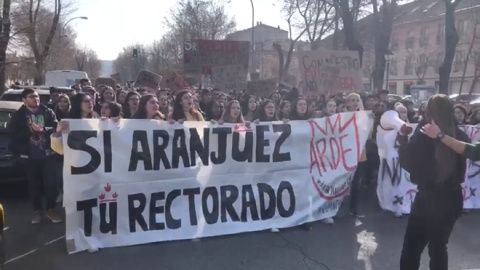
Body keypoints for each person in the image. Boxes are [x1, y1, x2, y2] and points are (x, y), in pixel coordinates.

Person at [398, 94, 469, 270]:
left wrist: (402, 141)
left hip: (428, 199)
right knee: (438, 248)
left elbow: (408, 161)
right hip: (452, 199)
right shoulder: (458, 134)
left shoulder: (424, 131)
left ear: (429, 111)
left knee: (412, 249)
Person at [9, 88, 61, 224]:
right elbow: (14, 135)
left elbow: (56, 127)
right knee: (34, 186)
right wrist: (30, 130)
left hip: (48, 154)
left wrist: (44, 129)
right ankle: (38, 212)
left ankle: (51, 209)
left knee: (51, 184)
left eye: (37, 97)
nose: (36, 99)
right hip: (29, 157)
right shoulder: (19, 115)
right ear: (24, 100)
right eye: (32, 97)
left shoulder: (47, 111)